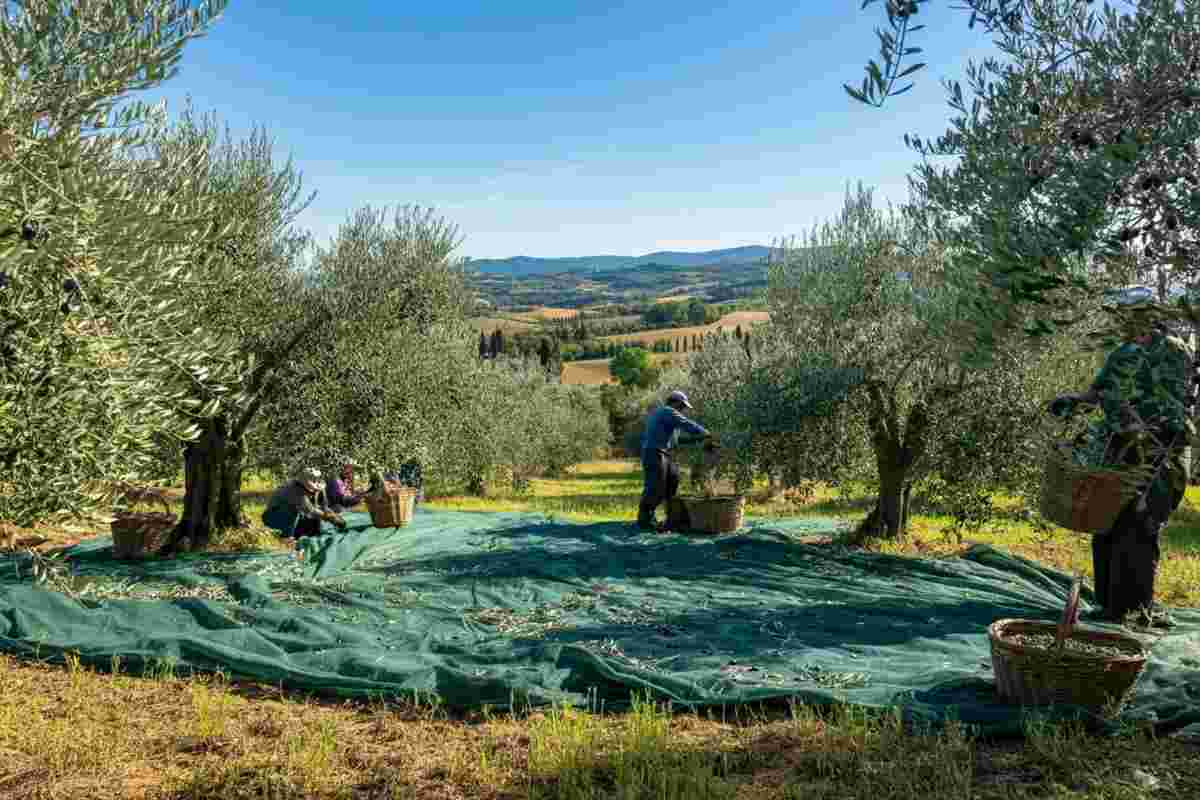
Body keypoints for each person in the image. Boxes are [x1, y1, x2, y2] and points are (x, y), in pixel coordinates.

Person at [1049, 298, 1194, 628]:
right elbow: (1097, 394)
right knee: (1107, 523)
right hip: (1120, 449)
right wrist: (1074, 402)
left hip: (1161, 452)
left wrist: (1143, 424)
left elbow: (1175, 403)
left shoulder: (1172, 350)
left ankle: (1138, 609)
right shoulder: (1122, 353)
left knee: (1141, 525)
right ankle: (1111, 607)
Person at [637, 390, 715, 530]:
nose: (683, 409)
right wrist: (706, 434)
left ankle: (670, 517)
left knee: (673, 480)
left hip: (663, 453)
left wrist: (701, 439)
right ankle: (644, 518)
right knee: (655, 486)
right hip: (653, 452)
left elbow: (678, 441)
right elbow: (687, 424)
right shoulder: (667, 411)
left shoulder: (669, 418)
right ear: (674, 402)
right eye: (682, 405)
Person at [262, 467, 348, 539]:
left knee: (313, 519)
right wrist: (333, 519)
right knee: (295, 511)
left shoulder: (317, 489)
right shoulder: (294, 490)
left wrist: (335, 516)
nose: (314, 492)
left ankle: (309, 535)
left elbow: (324, 507)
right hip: (273, 517)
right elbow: (311, 510)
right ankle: (286, 538)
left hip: (293, 518)